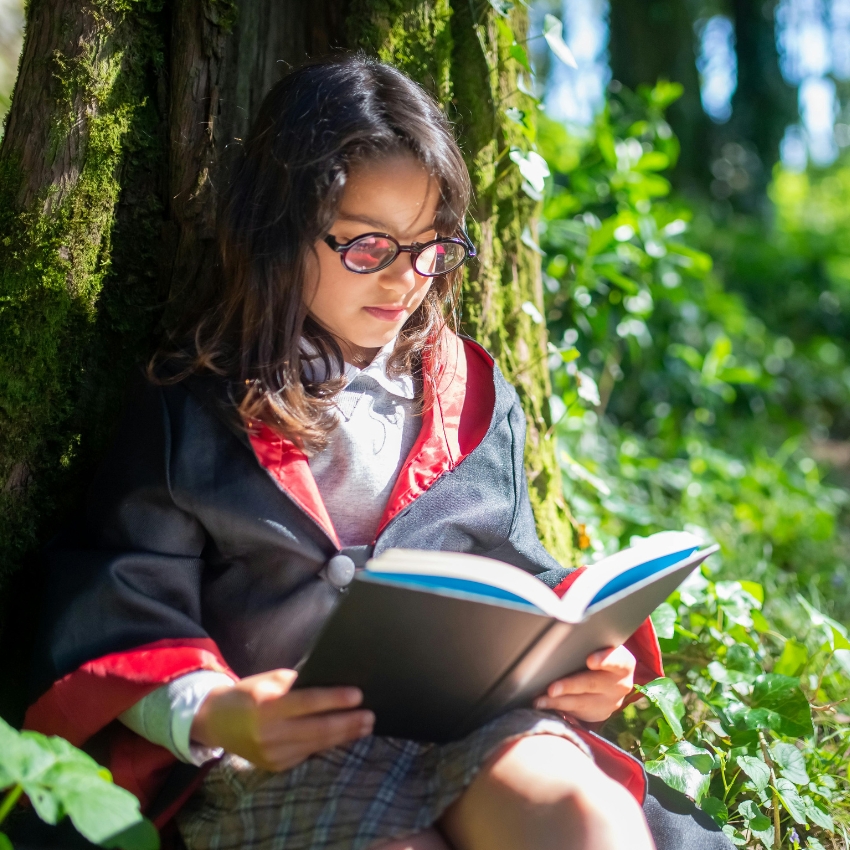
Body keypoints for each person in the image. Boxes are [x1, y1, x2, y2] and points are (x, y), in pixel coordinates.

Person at [25, 55, 732, 850]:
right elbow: (123, 601)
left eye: (433, 249)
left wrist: (583, 661)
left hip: (470, 729)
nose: (406, 281)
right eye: (369, 247)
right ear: (280, 230)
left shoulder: (474, 396)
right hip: (279, 756)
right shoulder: (192, 404)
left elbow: (516, 572)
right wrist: (221, 711)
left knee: (582, 816)